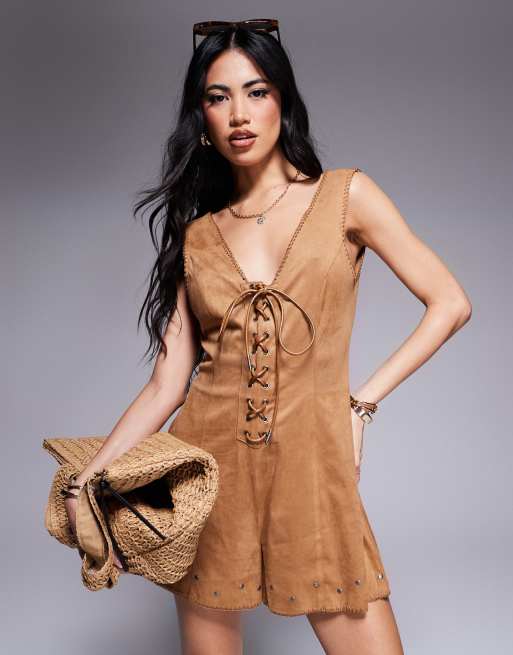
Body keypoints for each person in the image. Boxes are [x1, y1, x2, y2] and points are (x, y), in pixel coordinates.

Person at [63, 19, 471, 655]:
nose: (239, 114)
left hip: (312, 466)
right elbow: (167, 383)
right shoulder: (197, 235)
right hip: (208, 474)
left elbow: (450, 303)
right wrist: (88, 479)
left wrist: (360, 406)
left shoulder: (346, 195)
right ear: (201, 119)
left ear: (284, 100)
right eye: (218, 97)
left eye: (257, 92)